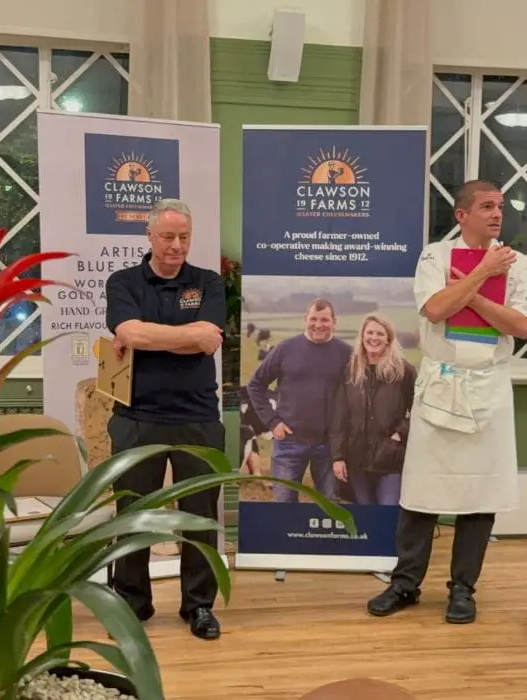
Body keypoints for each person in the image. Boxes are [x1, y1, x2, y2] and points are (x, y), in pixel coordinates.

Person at [367, 180, 527, 624]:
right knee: (422, 491)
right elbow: (436, 309)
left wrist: (473, 293)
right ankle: (405, 584)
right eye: (486, 206)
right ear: (461, 215)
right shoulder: (434, 256)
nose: (497, 213)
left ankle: (463, 589)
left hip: (489, 387)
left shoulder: (516, 264)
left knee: (481, 495)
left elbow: (519, 325)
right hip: (442, 383)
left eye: (500, 206)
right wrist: (483, 272)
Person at [105, 198, 227, 641]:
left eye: (184, 237)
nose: (176, 246)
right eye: (168, 237)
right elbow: (128, 332)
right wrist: (186, 334)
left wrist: (151, 336)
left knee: (198, 516)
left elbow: (209, 341)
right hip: (137, 416)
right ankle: (132, 603)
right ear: (150, 236)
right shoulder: (123, 281)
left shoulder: (208, 282)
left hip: (198, 417)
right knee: (133, 513)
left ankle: (198, 606)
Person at [246, 299, 352, 503]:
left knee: (330, 504)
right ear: (305, 319)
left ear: (334, 322)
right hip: (289, 443)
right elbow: (255, 384)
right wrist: (272, 422)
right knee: (284, 504)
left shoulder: (346, 353)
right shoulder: (286, 348)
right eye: (313, 319)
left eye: (324, 319)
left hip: (329, 444)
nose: (318, 324)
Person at [329, 314, 417, 506]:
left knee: (388, 510)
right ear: (362, 337)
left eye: (380, 333)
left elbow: (420, 410)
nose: (373, 338)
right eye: (369, 332)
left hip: (390, 460)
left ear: (388, 339)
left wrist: (399, 434)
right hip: (356, 460)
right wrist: (338, 457)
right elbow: (340, 417)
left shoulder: (404, 372)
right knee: (365, 516)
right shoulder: (351, 371)